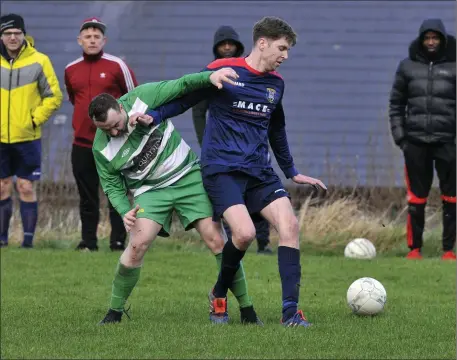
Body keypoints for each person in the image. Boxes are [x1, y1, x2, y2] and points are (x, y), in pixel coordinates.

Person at [148, 16, 327, 327]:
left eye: (288, 50)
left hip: (260, 170)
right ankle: (218, 294)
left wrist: (291, 171)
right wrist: (153, 115)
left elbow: (277, 129)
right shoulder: (224, 69)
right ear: (263, 43)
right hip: (222, 170)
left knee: (290, 226)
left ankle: (290, 313)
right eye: (282, 48)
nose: (285, 56)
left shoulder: (276, 84)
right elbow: (185, 98)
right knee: (243, 234)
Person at [90, 68, 262, 325]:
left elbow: (181, 85)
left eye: (116, 125)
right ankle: (114, 313)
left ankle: (247, 309)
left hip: (187, 177)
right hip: (150, 190)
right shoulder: (101, 147)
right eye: (106, 130)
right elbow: (112, 185)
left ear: (121, 106)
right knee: (136, 246)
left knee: (217, 240)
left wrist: (210, 77)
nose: (114, 133)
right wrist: (124, 209)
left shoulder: (144, 96)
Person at [192, 25, 273, 255]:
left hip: (253, 148)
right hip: (223, 151)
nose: (227, 47)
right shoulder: (209, 73)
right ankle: (233, 241)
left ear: (238, 46)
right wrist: (204, 142)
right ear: (216, 48)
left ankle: (264, 243)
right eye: (222, 44)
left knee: (257, 193)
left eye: (231, 43)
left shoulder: (254, 73)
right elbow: (198, 111)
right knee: (229, 198)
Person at [65, 17, 138, 252]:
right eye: (88, 36)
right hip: (82, 143)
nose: (92, 40)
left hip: (114, 142)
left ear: (104, 40)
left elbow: (134, 98)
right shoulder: (70, 69)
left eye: (97, 36)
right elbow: (73, 99)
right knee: (87, 196)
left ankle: (118, 242)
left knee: (117, 193)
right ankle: (89, 242)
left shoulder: (117, 66)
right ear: (80, 40)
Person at [389, 19, 456, 261]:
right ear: (421, 40)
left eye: (435, 38)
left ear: (442, 40)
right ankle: (414, 249)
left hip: (448, 143)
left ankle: (448, 250)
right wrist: (401, 138)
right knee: (417, 199)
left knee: (451, 198)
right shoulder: (407, 67)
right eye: (427, 38)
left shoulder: (454, 65)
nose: (431, 42)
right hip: (415, 143)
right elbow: (396, 105)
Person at [0, 14, 62, 248]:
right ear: (1, 36)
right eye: (8, 33)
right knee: (2, 186)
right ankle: (2, 241)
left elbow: (54, 96)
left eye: (17, 33)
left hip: (28, 137)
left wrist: (35, 119)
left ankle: (27, 242)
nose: (13, 37)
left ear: (24, 34)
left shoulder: (39, 61)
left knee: (25, 186)